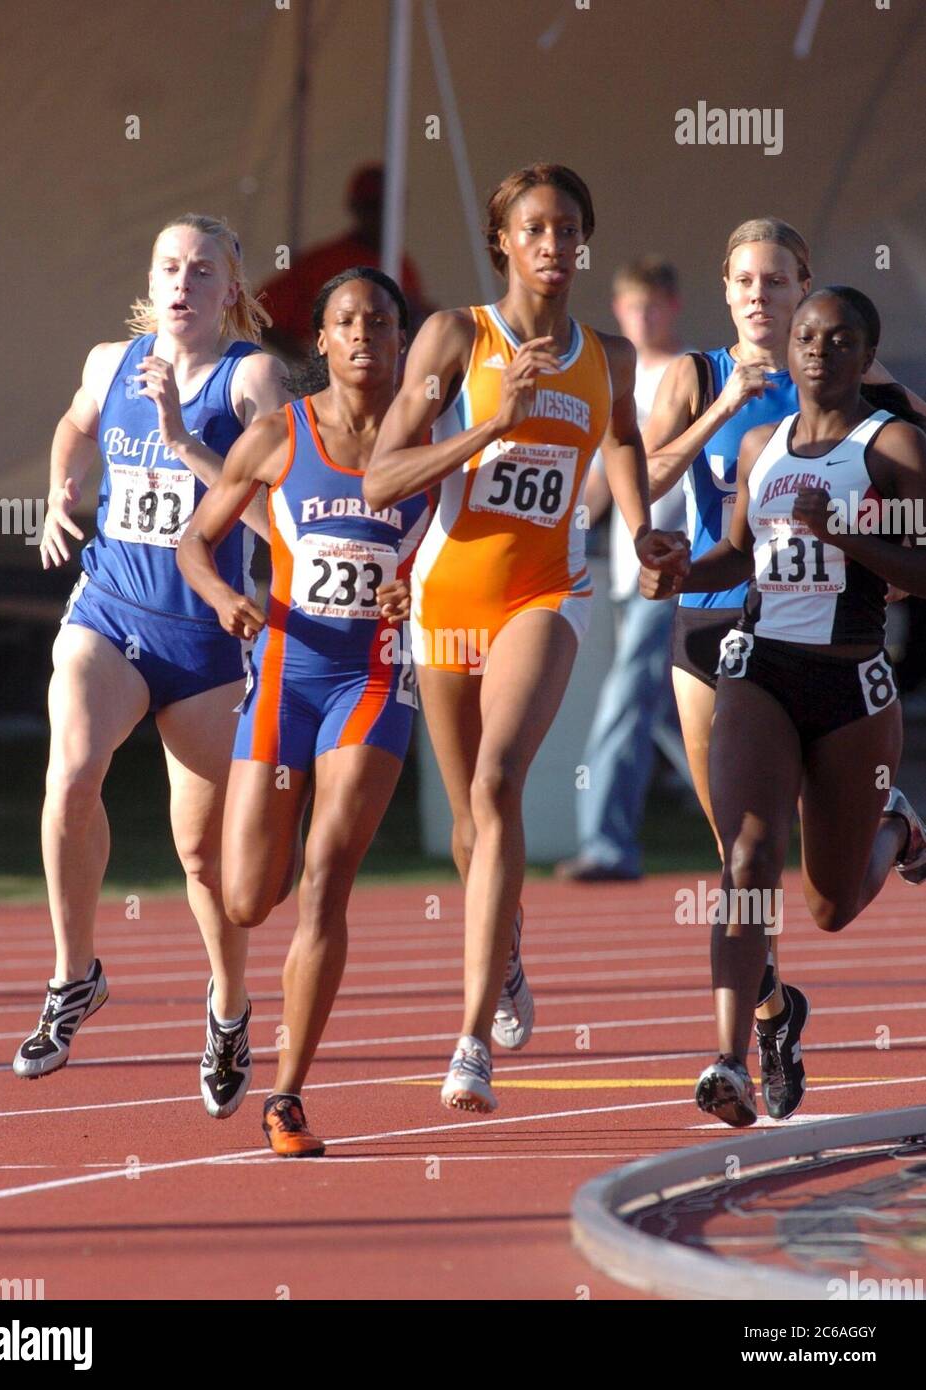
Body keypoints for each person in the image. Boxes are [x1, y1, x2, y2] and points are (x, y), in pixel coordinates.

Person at [365, 162, 687, 1114]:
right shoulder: (455, 336)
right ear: (503, 240)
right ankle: (506, 954)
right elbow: (384, 476)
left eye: (569, 229)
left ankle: (468, 1041)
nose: (554, 246)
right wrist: (491, 424)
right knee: (470, 822)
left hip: (547, 592)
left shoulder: (605, 355)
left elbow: (622, 436)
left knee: (500, 780)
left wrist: (637, 527)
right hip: (444, 600)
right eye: (535, 229)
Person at [642, 217, 926, 1117]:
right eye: (807, 341)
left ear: (865, 354)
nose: (815, 351)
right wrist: (681, 569)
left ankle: (900, 832)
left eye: (835, 339)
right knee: (746, 857)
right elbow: (736, 553)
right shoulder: (761, 450)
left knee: (829, 907)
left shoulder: (891, 447)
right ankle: (728, 1059)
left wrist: (846, 533)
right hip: (757, 666)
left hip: (848, 683)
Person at [14, 214, 290, 1116]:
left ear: (230, 291)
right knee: (72, 778)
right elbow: (74, 423)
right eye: (168, 266)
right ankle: (74, 977)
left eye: (201, 270)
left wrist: (183, 443)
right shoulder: (109, 361)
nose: (181, 282)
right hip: (109, 612)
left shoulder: (251, 379)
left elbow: (277, 524)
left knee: (203, 857)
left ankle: (230, 1006)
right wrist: (63, 490)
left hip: (205, 638)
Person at [178, 268, 430, 1155]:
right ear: (319, 341)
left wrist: (422, 600)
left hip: (372, 681)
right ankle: (248, 973)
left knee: (328, 872)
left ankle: (285, 1095)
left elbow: (473, 559)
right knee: (247, 898)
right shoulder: (277, 435)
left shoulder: (434, 448)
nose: (364, 336)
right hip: (286, 678)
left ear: (403, 341)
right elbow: (196, 542)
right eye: (346, 323)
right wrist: (219, 598)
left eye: (381, 323)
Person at [555, 255, 688, 882]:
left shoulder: (688, 374)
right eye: (634, 305)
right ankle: (768, 812)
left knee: (630, 696)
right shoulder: (609, 375)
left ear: (674, 306)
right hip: (624, 573)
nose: (644, 315)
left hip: (677, 566)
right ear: (617, 309)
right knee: (669, 710)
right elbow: (602, 480)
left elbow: (637, 461)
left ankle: (607, 842)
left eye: (654, 304)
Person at [257, 164, 432, 360]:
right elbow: (258, 314)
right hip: (332, 380)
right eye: (374, 207)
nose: (382, 216)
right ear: (356, 208)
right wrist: (308, 362)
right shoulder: (323, 262)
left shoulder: (402, 265)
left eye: (391, 207)